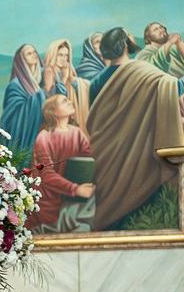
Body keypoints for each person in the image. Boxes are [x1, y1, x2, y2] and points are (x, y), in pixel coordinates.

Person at [88, 27, 184, 230]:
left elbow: (97, 121)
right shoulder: (140, 71)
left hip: (106, 158)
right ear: (124, 44)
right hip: (140, 156)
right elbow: (173, 88)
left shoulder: (95, 82)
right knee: (143, 212)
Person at [28, 94, 95, 233]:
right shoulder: (44, 137)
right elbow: (46, 174)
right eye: (64, 101)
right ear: (53, 112)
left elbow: (87, 162)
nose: (70, 102)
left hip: (76, 196)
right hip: (51, 202)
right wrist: (76, 189)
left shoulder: (77, 133)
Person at [0, 43, 55, 165]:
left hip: (43, 130)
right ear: (21, 60)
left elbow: (57, 95)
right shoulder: (16, 85)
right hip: (25, 134)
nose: (34, 55)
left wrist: (53, 86)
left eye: (34, 52)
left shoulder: (43, 75)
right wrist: (45, 89)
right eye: (29, 53)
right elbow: (14, 114)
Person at [42, 39, 90, 134]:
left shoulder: (69, 72)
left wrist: (72, 80)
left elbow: (81, 93)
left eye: (66, 55)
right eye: (60, 55)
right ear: (53, 55)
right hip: (52, 123)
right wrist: (64, 79)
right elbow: (52, 100)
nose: (63, 59)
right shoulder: (46, 73)